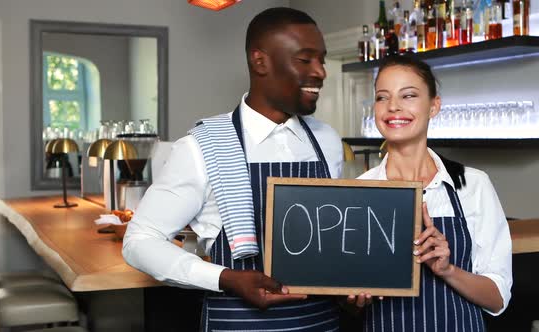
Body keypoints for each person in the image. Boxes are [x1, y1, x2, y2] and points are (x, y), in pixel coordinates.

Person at [122, 7, 344, 331]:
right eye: (305, 59)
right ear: (260, 61)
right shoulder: (203, 147)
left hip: (322, 322)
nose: (321, 72)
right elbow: (140, 241)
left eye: (321, 60)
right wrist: (225, 278)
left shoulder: (328, 141)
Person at [349, 55, 513, 331]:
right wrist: (353, 300)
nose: (393, 107)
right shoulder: (358, 191)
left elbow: (497, 299)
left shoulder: (473, 185)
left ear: (434, 106)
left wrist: (448, 270)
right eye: (382, 97)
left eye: (409, 95)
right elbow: (346, 298)